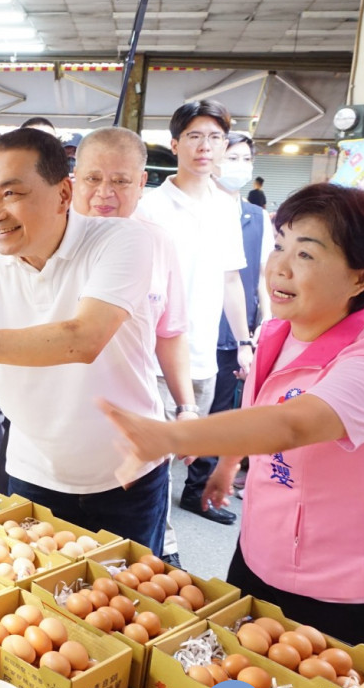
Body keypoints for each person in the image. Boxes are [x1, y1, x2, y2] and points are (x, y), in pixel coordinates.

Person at [102, 183, 364, 655]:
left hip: (343, 591)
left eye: (307, 255)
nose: (280, 267)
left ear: (360, 278)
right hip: (261, 559)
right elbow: (259, 414)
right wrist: (229, 464)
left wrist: (167, 435)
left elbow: (291, 424)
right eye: (279, 245)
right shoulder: (278, 333)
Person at [0, 128, 169, 553]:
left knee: (127, 608)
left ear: (62, 194)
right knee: (33, 603)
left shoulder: (122, 240)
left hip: (126, 476)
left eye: (12, 194)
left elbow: (84, 338)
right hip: (34, 474)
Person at [71, 126, 195, 565]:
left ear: (142, 183)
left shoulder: (158, 243)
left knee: (133, 584)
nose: (105, 192)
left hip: (134, 451)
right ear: (73, 178)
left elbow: (171, 334)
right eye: (93, 179)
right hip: (50, 455)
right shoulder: (47, 238)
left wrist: (187, 407)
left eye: (121, 181)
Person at [136, 99, 253, 525]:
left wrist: (244, 342)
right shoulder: (150, 206)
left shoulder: (227, 206)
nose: (205, 146)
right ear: (175, 143)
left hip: (202, 356)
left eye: (215, 138)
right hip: (154, 356)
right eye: (195, 137)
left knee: (180, 452)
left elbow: (230, 280)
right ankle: (159, 547)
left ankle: (156, 541)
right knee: (151, 463)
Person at [181, 131, 273, 519]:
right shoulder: (192, 211)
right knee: (192, 411)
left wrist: (263, 324)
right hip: (199, 326)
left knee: (222, 414)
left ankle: (199, 488)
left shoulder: (257, 216)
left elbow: (263, 274)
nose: (237, 165)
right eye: (230, 157)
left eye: (244, 158)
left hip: (239, 330)